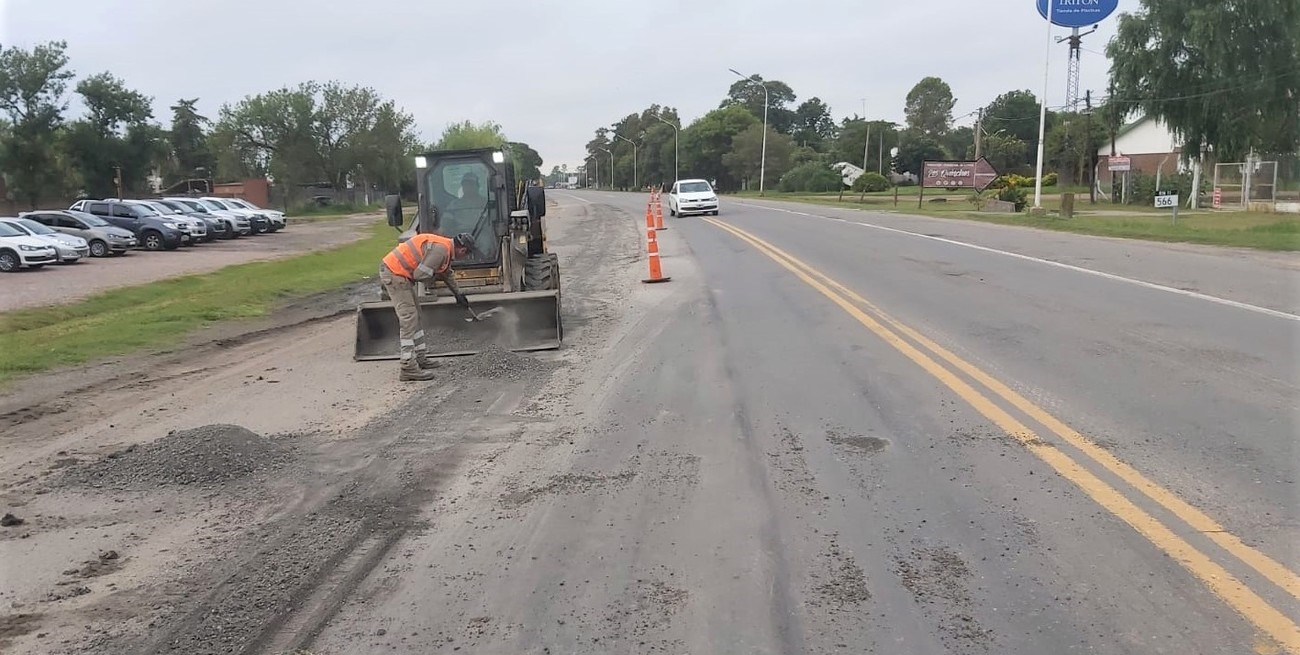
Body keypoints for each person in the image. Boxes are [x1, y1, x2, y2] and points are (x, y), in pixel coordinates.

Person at [379, 232, 476, 381]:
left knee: (416, 316)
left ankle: (420, 358)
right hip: (394, 273)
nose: (464, 257)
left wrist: (458, 295)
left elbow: (447, 273)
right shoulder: (441, 250)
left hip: (400, 275)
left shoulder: (445, 250)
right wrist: (434, 274)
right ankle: (407, 367)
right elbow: (419, 275)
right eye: (466, 255)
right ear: (462, 250)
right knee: (409, 318)